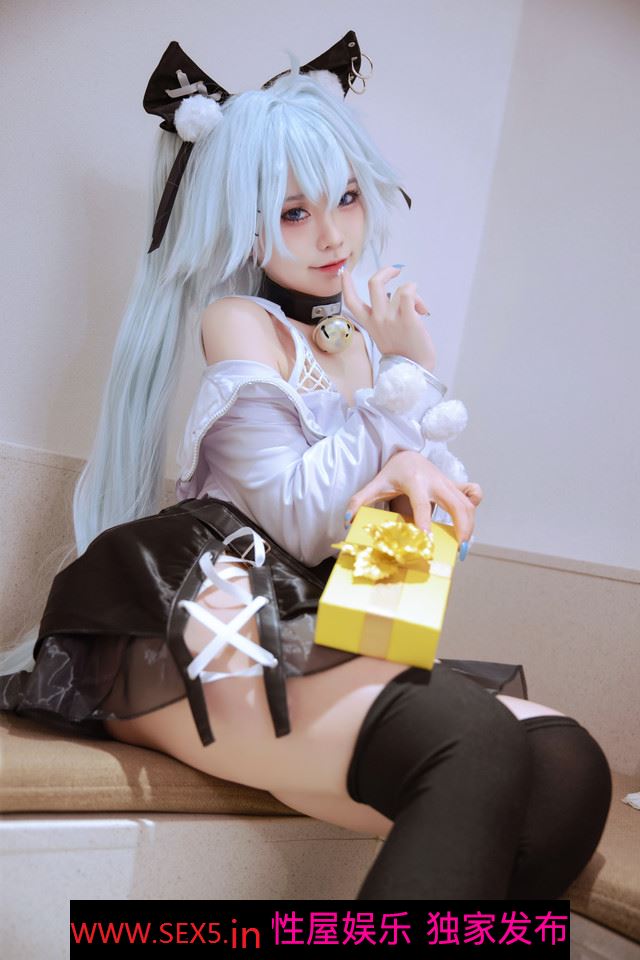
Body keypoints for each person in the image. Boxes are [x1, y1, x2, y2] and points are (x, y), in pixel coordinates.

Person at [0, 35, 611, 899]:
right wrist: (406, 381)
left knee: (568, 763)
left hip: (324, 618)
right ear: (247, 223)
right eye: (294, 213)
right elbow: (297, 512)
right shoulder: (240, 323)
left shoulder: (364, 340)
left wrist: (421, 448)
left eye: (347, 198)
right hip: (202, 606)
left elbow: (405, 526)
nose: (333, 235)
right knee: (469, 738)